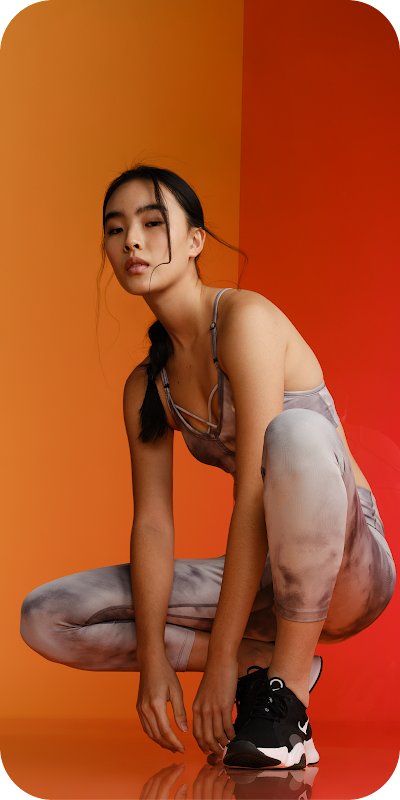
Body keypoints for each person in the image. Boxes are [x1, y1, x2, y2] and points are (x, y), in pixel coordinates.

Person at [20, 165, 396, 770]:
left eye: (152, 222)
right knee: (47, 616)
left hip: (348, 566)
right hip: (265, 572)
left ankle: (288, 704)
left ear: (195, 240)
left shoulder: (244, 321)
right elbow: (153, 526)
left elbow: (254, 493)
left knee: (292, 434)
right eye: (115, 229)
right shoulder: (148, 386)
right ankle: (260, 663)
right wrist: (154, 661)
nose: (132, 241)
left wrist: (217, 660)